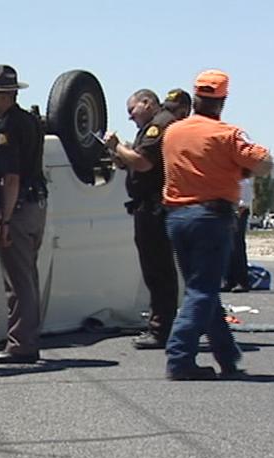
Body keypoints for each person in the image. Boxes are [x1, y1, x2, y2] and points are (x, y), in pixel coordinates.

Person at [162, 70, 273, 380]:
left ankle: (227, 356)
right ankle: (180, 357)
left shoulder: (173, 132)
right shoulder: (228, 134)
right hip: (211, 217)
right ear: (222, 101)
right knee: (202, 291)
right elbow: (263, 163)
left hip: (177, 218)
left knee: (204, 291)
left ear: (195, 98)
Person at [0, 65, 47, 364]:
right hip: (36, 204)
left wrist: (4, 219)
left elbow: (12, 177)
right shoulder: (29, 121)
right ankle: (26, 339)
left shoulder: (8, 128)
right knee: (28, 276)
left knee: (17, 281)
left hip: (19, 205)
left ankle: (21, 345)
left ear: (5, 96)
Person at [104, 89, 180, 349]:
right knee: (158, 270)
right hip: (150, 206)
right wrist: (119, 155)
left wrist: (118, 147)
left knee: (157, 269)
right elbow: (135, 162)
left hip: (154, 207)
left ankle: (161, 329)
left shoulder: (157, 127)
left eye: (131, 110)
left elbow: (144, 163)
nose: (130, 117)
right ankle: (163, 325)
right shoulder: (154, 126)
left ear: (147, 103)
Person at [224, 177, 254, 292]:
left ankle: (242, 281)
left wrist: (237, 215)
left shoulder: (242, 181)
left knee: (237, 247)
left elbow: (245, 202)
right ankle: (228, 281)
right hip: (227, 212)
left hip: (238, 213)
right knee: (226, 248)